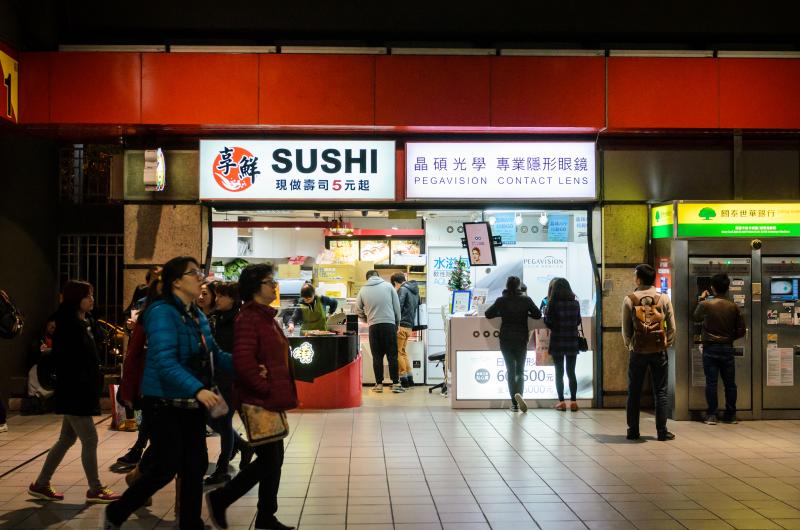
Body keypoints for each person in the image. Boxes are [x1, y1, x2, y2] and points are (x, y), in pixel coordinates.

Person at [103, 256, 232, 530]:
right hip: (163, 403)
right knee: (164, 468)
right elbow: (164, 360)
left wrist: (245, 363)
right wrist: (197, 389)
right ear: (176, 281)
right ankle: (116, 512)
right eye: (194, 273)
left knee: (194, 466)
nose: (201, 277)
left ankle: (190, 523)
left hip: (190, 404)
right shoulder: (162, 312)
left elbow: (213, 354)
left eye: (201, 272)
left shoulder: (195, 314)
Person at [206, 263, 298, 530]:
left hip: (270, 400)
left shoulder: (264, 316)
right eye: (270, 281)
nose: (275, 286)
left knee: (275, 459)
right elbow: (244, 361)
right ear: (256, 288)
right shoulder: (249, 318)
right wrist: (265, 388)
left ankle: (266, 517)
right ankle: (222, 498)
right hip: (258, 401)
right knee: (270, 459)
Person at [28, 281, 120, 503]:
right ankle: (95, 488)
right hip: (74, 391)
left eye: (92, 295)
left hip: (79, 390)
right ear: (75, 299)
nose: (92, 299)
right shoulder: (67, 324)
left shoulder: (84, 321)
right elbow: (66, 358)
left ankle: (41, 484)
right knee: (90, 438)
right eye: (88, 296)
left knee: (66, 439)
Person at [205, 281, 254, 485]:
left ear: (233, 299)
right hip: (217, 377)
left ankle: (222, 468)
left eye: (222, 296)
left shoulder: (238, 319)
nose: (218, 299)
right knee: (212, 418)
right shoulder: (218, 318)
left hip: (232, 380)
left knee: (223, 424)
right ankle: (242, 445)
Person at [622, 263, 676, 442]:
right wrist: (666, 343)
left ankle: (633, 431)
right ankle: (662, 431)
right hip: (659, 350)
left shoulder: (630, 299)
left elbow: (626, 330)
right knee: (660, 391)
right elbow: (672, 326)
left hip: (638, 352)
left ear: (639, 278)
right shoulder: (663, 298)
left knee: (634, 391)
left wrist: (630, 345)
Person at [694, 273, 746, 425]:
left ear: (712, 287)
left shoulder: (705, 304)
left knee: (711, 382)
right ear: (727, 288)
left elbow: (695, 317)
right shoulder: (734, 306)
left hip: (710, 348)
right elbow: (741, 330)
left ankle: (711, 415)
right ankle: (730, 415)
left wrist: (702, 299)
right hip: (727, 348)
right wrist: (729, 339)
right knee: (730, 384)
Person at [485, 276, 542, 412]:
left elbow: (488, 314)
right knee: (520, 371)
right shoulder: (526, 300)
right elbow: (538, 314)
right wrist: (526, 313)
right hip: (521, 338)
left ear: (506, 285)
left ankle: (514, 404)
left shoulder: (501, 300)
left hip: (506, 338)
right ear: (518, 286)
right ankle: (519, 396)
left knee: (510, 370)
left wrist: (501, 312)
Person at [357, 270, 403, 394]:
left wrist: (366, 319)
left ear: (367, 278)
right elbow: (397, 307)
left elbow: (358, 309)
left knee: (377, 356)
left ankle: (379, 384)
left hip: (374, 326)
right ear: (378, 276)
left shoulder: (363, 290)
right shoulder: (388, 286)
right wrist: (397, 322)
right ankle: (396, 383)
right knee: (392, 355)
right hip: (389, 325)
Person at [543, 278, 582, 411]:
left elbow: (549, 323)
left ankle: (561, 402)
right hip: (572, 341)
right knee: (571, 372)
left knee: (559, 372)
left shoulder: (552, 304)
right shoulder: (575, 303)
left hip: (558, 341)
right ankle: (574, 402)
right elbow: (578, 321)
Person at [391, 272, 421, 388]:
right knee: (403, 352)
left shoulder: (403, 290)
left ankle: (403, 379)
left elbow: (398, 307)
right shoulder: (415, 291)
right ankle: (410, 379)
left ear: (395, 282)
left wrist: (395, 322)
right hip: (409, 326)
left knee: (398, 352)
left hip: (401, 325)